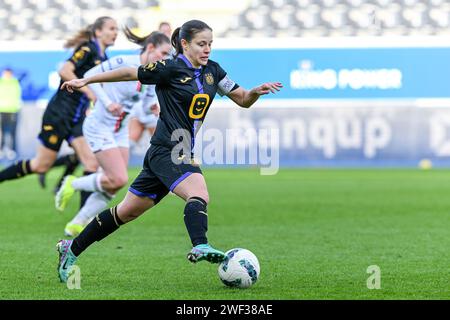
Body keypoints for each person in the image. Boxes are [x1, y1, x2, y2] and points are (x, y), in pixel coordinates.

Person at [56, 19, 282, 283]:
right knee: (198, 193)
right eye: (201, 44)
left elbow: (242, 99)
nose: (207, 49)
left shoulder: (214, 72)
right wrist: (87, 80)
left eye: (210, 44)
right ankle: (200, 244)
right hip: (169, 149)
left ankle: (69, 249)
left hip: (169, 152)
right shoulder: (169, 68)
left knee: (125, 212)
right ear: (185, 44)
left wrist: (255, 92)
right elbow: (131, 72)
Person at [55, 29, 171, 237]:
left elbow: (144, 102)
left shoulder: (151, 74)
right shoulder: (123, 62)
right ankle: (73, 183)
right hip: (99, 125)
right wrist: (107, 102)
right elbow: (89, 76)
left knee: (114, 183)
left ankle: (77, 222)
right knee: (118, 179)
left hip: (120, 129)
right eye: (163, 53)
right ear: (151, 48)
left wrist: (154, 107)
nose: (165, 59)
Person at [0, 17, 118, 213]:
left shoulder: (104, 59)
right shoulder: (88, 49)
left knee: (91, 162)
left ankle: (83, 219)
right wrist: (87, 91)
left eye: (116, 29)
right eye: (111, 28)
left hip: (77, 118)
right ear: (98, 32)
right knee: (40, 165)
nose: (116, 32)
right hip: (59, 114)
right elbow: (65, 69)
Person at [0, 68, 22, 160]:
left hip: (13, 110)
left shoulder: (15, 82)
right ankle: (1, 150)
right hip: (1, 110)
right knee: (2, 132)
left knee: (12, 132)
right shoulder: (1, 82)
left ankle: (12, 151)